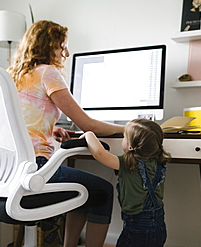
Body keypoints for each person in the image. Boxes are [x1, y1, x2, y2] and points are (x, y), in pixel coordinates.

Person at [8, 20, 124, 247]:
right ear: (49, 45)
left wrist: (50, 129)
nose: (67, 53)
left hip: (10, 169)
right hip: (36, 169)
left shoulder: (14, 75)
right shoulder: (47, 72)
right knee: (104, 191)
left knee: (82, 190)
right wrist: (128, 128)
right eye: (63, 46)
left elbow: (17, 121)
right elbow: (88, 124)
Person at [80, 118, 171, 247]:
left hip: (137, 226)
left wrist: (89, 134)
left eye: (124, 137)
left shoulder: (127, 164)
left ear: (130, 146)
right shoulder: (159, 161)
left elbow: (100, 154)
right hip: (159, 225)